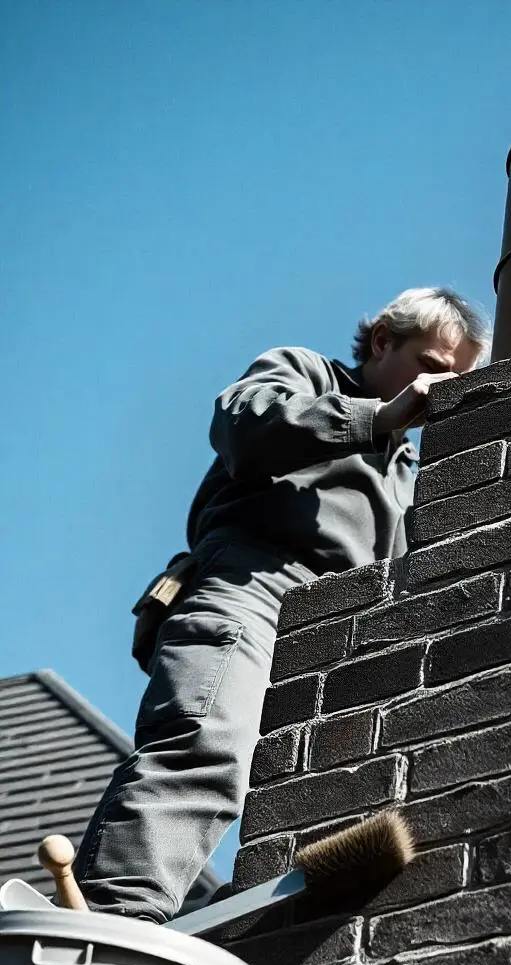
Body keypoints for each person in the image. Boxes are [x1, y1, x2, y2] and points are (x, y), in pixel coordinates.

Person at [74, 287, 489, 923]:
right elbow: (245, 427)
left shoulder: (404, 473)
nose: (439, 391)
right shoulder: (306, 373)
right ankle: (115, 921)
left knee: (319, 795)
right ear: (383, 341)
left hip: (338, 630)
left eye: (453, 380)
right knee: (207, 744)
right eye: (432, 367)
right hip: (256, 585)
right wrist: (375, 418)